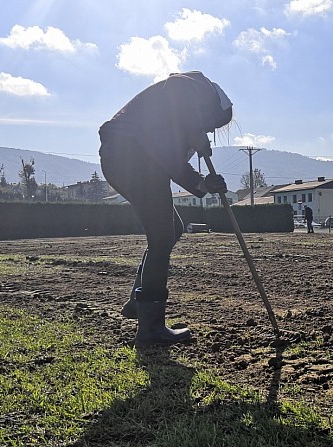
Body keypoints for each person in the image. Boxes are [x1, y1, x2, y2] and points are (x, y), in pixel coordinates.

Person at [98, 71, 232, 346]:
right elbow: (165, 153)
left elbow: (168, 155)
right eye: (211, 125)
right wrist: (200, 179)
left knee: (172, 229)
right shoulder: (191, 88)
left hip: (126, 156)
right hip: (133, 157)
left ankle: (139, 301)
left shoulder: (174, 114)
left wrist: (202, 182)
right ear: (210, 107)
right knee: (161, 239)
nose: (209, 131)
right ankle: (150, 331)